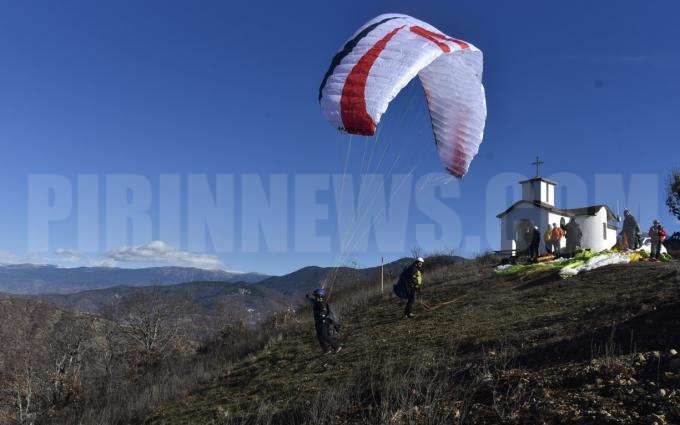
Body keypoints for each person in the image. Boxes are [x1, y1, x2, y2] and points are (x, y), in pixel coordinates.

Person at [306, 288, 341, 354]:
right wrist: (307, 297)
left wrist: (322, 313)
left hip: (324, 322)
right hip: (317, 322)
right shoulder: (316, 302)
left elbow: (325, 314)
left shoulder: (323, 304)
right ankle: (326, 350)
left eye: (317, 296)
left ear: (321, 296)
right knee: (319, 336)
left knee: (324, 335)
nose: (315, 298)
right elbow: (311, 300)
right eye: (315, 296)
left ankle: (336, 347)